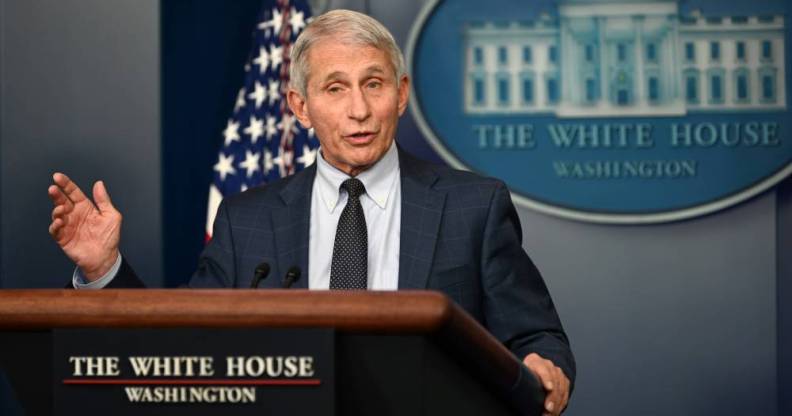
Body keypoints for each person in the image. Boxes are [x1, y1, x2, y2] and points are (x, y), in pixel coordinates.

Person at [48, 9, 574, 415]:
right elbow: (180, 347)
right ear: (301, 107)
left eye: (374, 84)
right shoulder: (246, 219)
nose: (360, 110)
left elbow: (536, 336)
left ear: (401, 93)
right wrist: (103, 270)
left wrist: (542, 366)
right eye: (335, 88)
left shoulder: (472, 206)